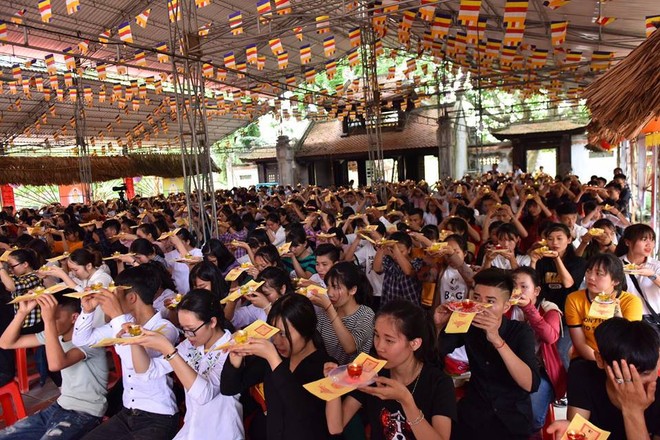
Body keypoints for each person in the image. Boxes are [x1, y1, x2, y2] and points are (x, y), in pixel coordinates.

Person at [72, 265, 180, 440]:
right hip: (128, 413)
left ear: (131, 298)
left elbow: (137, 365)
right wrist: (87, 311)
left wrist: (116, 316)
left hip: (158, 417)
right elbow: (81, 340)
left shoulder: (165, 329)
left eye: (116, 293)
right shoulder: (124, 322)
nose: (112, 297)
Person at [325, 299, 455, 439]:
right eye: (376, 335)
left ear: (414, 344)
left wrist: (406, 400)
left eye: (389, 340)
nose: (379, 347)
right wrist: (333, 383)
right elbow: (335, 427)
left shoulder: (439, 383)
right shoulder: (371, 374)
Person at [435, 268, 540, 440]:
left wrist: (497, 340)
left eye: (490, 301)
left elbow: (530, 384)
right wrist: (438, 326)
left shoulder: (520, 331)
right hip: (474, 415)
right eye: (476, 298)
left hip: (512, 418)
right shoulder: (467, 323)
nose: (480, 306)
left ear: (506, 306)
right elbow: (436, 354)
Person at [124, 289, 243, 440]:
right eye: (184, 329)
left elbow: (204, 395)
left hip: (221, 434)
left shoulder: (232, 348)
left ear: (212, 322)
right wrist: (135, 341)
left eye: (191, 330)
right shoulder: (189, 345)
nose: (187, 336)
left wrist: (168, 349)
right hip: (191, 431)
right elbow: (147, 372)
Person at [220, 294, 334, 440]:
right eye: (274, 333)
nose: (277, 341)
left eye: (284, 334)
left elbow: (302, 414)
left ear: (307, 329)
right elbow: (229, 388)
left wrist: (273, 359)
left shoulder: (327, 367)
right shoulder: (273, 358)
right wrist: (235, 357)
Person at [0, 292, 108, 440]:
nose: (48, 322)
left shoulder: (90, 339)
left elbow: (56, 364)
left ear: (74, 318)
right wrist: (22, 312)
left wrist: (49, 321)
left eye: (55, 317)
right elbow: (6, 343)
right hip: (59, 406)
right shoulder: (55, 334)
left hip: (86, 413)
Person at [565, 318, 660, 440]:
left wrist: (633, 411)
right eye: (626, 376)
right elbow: (577, 433)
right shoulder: (583, 374)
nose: (637, 384)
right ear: (600, 360)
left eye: (646, 373)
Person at [511, 267, 565, 438]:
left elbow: (550, 336)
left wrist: (529, 309)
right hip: (511, 367)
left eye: (524, 286)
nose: (518, 291)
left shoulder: (550, 309)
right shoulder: (508, 308)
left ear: (536, 291)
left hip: (542, 371)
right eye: (514, 286)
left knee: (532, 413)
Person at [565, 253, 643, 362]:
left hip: (622, 359)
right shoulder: (574, 299)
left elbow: (628, 342)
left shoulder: (631, 302)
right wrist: (601, 363)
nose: (591, 277)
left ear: (615, 281)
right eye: (588, 271)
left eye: (599, 273)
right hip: (587, 357)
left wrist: (617, 314)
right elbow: (580, 343)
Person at [308, 261, 374, 365]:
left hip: (354, 376)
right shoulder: (325, 313)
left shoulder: (366, 314)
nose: (329, 293)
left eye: (336, 287)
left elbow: (350, 347)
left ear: (352, 290)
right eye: (328, 286)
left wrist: (329, 308)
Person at [616, 224, 660, 330]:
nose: (649, 244)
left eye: (652, 239)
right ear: (628, 242)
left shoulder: (656, 265)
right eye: (644, 239)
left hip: (653, 319)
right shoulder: (616, 264)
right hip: (625, 318)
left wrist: (652, 275)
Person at [373, 231, 423, 306]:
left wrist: (395, 247)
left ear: (409, 249)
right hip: (389, 307)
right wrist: (381, 248)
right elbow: (377, 269)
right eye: (392, 251)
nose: (395, 255)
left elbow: (408, 271)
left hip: (410, 308)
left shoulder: (416, 262)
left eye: (401, 251)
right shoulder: (389, 260)